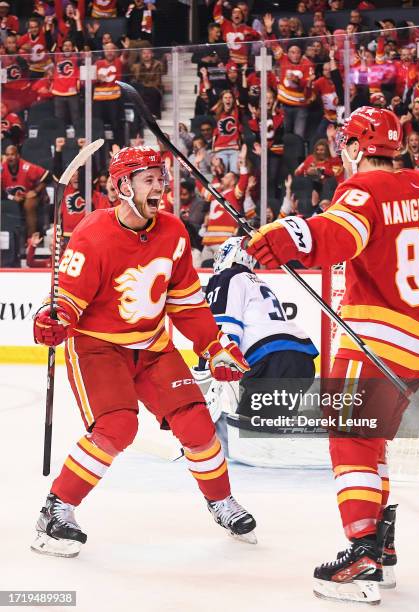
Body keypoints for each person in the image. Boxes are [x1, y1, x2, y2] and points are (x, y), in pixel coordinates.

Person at [245, 107, 419, 604]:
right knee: (373, 446)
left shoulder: (361, 191)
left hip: (376, 341)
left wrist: (288, 236)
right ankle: (383, 550)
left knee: (350, 441)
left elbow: (337, 235)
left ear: (354, 147)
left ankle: (362, 555)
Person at [31, 146, 257, 558]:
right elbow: (68, 304)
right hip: (99, 349)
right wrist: (55, 318)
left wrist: (213, 346)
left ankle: (221, 501)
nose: (160, 186)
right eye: (149, 179)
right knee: (117, 427)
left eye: (161, 177)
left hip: (153, 347)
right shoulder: (93, 234)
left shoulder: (173, 232)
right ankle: (56, 509)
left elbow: (186, 301)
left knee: (197, 423)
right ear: (122, 187)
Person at [203, 237, 318, 454]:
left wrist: (218, 367)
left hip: (271, 363)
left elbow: (225, 328)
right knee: (268, 433)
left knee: (255, 443)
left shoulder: (226, 277)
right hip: (300, 360)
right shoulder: (256, 281)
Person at [1, 144, 51, 237]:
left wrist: (35, 191)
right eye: (7, 155)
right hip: (9, 196)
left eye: (12, 154)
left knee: (29, 205)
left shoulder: (27, 167)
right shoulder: (2, 168)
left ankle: (30, 239)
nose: (10, 157)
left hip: (29, 195)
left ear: (18, 156)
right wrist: (12, 197)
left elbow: (48, 176)